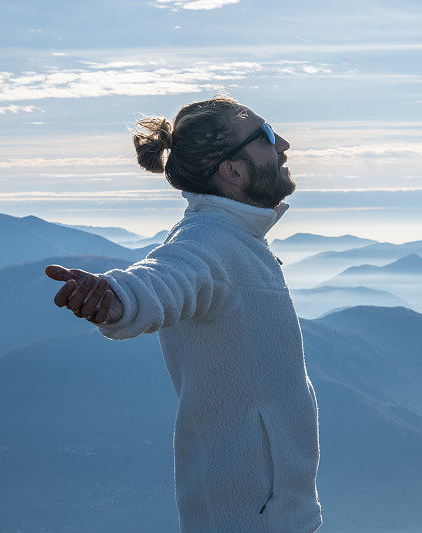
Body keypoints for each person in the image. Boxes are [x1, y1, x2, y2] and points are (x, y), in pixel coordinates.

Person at [44, 94, 323, 532]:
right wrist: (116, 297)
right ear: (232, 171)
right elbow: (163, 277)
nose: (284, 143)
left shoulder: (238, 238)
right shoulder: (209, 241)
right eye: (266, 136)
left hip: (271, 514)